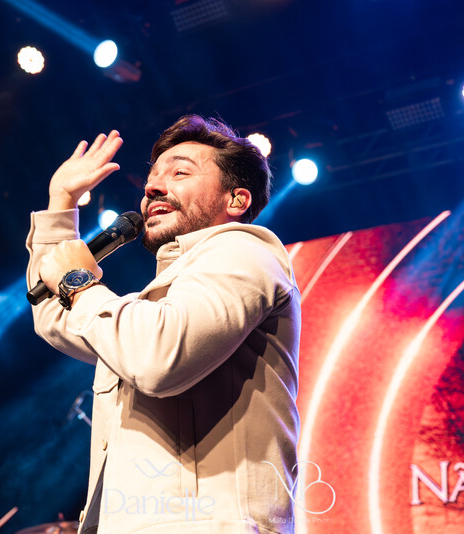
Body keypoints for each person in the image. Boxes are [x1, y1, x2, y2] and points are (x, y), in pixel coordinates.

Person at [26, 115, 301, 533]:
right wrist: (61, 204)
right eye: (151, 178)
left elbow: (159, 358)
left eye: (180, 172)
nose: (152, 187)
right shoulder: (147, 310)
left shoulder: (247, 251)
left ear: (236, 200)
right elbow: (55, 316)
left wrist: (78, 282)